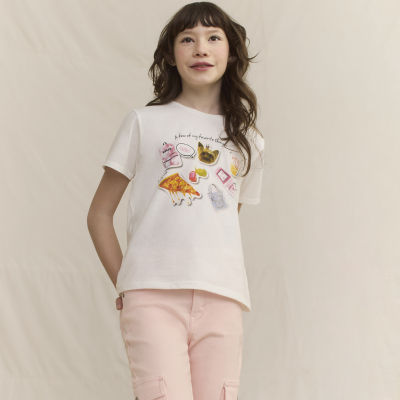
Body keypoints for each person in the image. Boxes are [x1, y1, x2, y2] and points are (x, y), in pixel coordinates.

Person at [87, 2, 265, 399]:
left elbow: (223, 217)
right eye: (187, 39)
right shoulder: (143, 122)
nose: (201, 48)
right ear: (170, 55)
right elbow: (99, 214)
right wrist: (125, 283)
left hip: (222, 295)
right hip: (152, 296)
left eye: (213, 38)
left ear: (231, 52)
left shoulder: (249, 141)